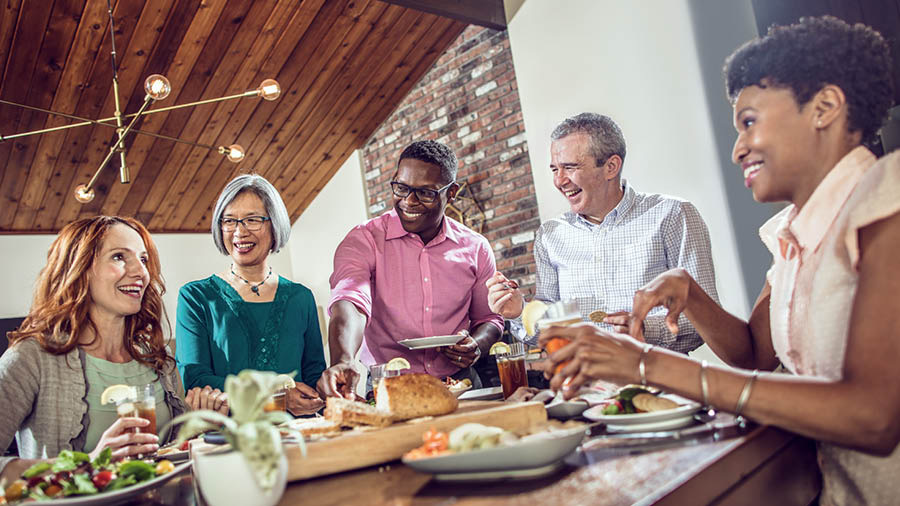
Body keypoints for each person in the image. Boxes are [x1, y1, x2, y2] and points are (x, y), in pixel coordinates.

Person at [540, 16, 898, 506]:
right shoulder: (794, 235)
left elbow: (873, 417)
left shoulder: (886, 198)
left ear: (825, 108)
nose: (738, 149)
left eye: (749, 122)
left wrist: (644, 363)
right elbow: (753, 354)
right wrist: (690, 292)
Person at [487, 113, 717, 353]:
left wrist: (644, 328)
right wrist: (518, 311)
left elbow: (705, 322)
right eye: (555, 169)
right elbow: (552, 328)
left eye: (570, 167)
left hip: (658, 373)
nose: (559, 180)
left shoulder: (673, 215)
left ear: (611, 167)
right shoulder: (550, 235)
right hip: (584, 376)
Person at [0, 216, 197, 481]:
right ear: (79, 268)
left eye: (143, 259)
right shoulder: (31, 358)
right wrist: (88, 464)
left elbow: (174, 449)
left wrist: (200, 425)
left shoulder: (158, 357)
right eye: (118, 257)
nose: (141, 272)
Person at [318, 140, 503, 399]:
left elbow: (490, 318)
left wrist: (477, 345)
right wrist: (343, 360)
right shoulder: (365, 239)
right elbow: (350, 301)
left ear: (451, 193)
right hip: (390, 387)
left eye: (425, 193)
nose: (409, 201)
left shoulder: (475, 247)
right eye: (402, 188)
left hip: (460, 385)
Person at [175, 174, 326, 415]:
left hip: (301, 432)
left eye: (252, 220)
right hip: (228, 433)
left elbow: (314, 378)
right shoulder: (196, 297)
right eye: (229, 221)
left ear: (274, 224)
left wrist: (334, 388)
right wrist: (277, 398)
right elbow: (196, 381)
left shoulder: (301, 297)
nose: (239, 231)